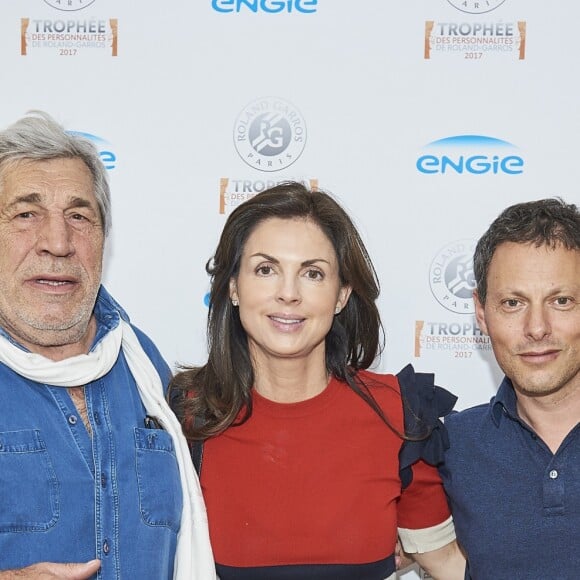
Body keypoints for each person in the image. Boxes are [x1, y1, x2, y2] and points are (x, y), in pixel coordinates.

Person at [171, 181, 466, 579]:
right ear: (233, 286)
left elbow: (446, 563)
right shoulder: (185, 414)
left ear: (341, 294)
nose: (288, 293)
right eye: (265, 269)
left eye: (312, 273)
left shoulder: (399, 412)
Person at [0, 112, 214, 579]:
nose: (57, 243)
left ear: (102, 238)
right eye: (26, 214)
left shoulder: (145, 367)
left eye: (78, 216)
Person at [439, 198, 580, 578]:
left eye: (561, 300)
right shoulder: (449, 448)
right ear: (482, 314)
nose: (537, 328)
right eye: (513, 303)